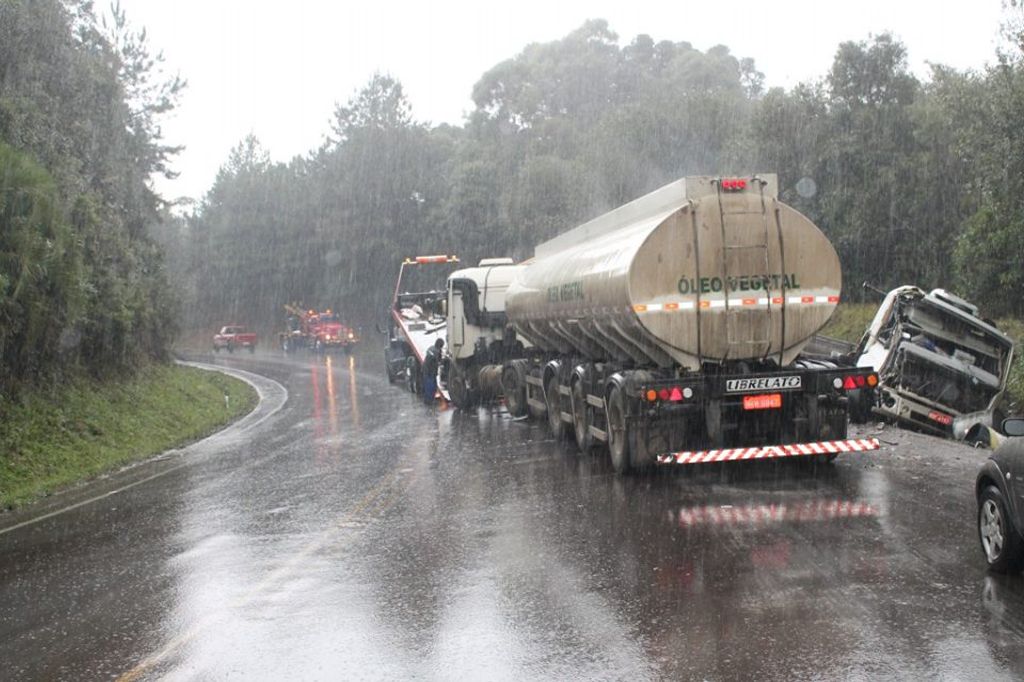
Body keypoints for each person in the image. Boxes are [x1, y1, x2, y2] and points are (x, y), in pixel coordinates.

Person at [422, 338, 444, 404]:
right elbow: (437, 361)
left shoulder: (431, 348)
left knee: (432, 386)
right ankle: (428, 400)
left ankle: (428, 399)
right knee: (430, 386)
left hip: (428, 371)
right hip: (429, 372)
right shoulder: (435, 352)